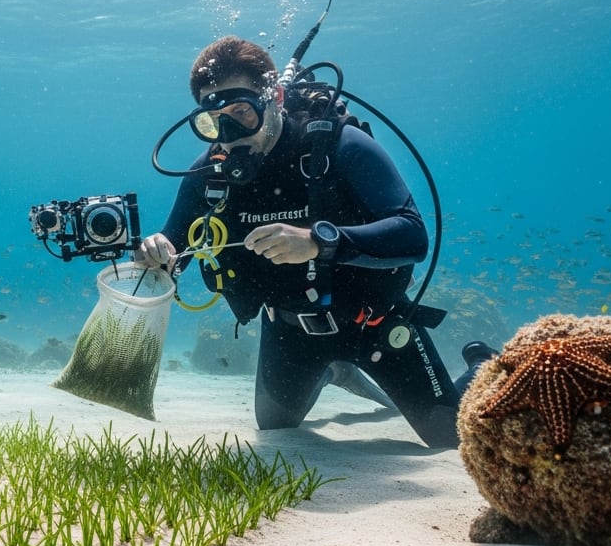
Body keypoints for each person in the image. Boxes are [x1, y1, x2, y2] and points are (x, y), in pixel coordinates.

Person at [139, 35, 474, 448]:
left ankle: (481, 365)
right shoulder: (210, 174)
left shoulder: (338, 145)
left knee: (452, 438)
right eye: (212, 122)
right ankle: (335, 371)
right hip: (289, 333)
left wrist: (320, 242)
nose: (228, 135)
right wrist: (157, 253)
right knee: (277, 432)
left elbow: (412, 235)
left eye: (241, 113)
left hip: (377, 325)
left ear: (275, 97)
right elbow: (176, 248)